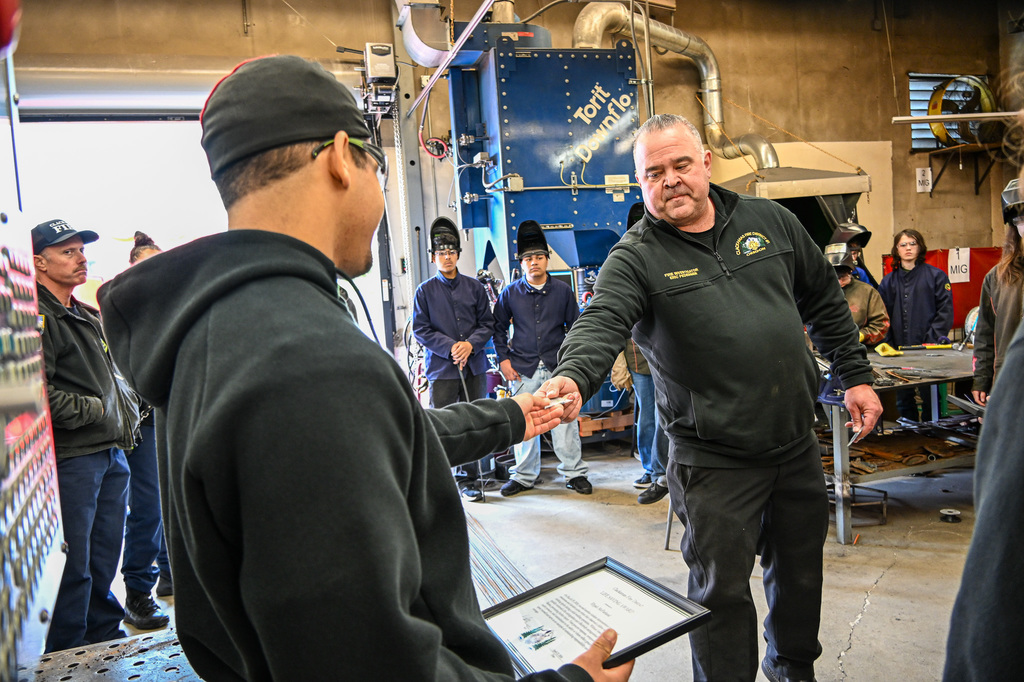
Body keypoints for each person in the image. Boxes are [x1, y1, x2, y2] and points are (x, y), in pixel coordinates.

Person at [96, 55, 631, 682]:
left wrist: (509, 416)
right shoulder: (307, 359)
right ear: (341, 158)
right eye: (378, 169)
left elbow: (367, 446)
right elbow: (369, 662)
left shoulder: (215, 331)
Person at [539, 114, 881, 682]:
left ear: (706, 164)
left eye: (679, 165)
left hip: (794, 445)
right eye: (654, 172)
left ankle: (793, 669)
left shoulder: (770, 221)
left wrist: (856, 376)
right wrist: (574, 374)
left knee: (800, 576)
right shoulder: (636, 257)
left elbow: (823, 298)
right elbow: (601, 321)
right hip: (713, 460)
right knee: (719, 596)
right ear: (640, 183)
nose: (670, 179)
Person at [33, 218, 142, 653]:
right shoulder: (34, 320)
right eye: (68, 252)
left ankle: (104, 638)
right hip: (75, 456)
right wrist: (97, 411)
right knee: (74, 564)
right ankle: (68, 651)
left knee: (101, 559)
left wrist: (126, 406)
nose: (81, 259)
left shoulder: (86, 314)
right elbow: (35, 392)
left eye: (82, 250)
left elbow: (114, 376)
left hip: (111, 451)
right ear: (38, 262)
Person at [493, 220, 592, 497]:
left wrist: (572, 364)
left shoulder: (562, 291)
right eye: (528, 258)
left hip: (557, 366)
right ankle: (524, 476)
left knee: (565, 422)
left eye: (538, 257)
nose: (533, 262)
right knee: (523, 421)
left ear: (546, 260)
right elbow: (497, 328)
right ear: (521, 263)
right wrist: (504, 360)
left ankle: (574, 473)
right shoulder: (510, 294)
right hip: (522, 368)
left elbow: (575, 328)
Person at [412, 217, 495, 501]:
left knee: (475, 420)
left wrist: (469, 346)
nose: (446, 258)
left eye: (451, 252)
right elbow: (420, 329)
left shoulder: (474, 288)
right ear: (433, 257)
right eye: (441, 253)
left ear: (458, 254)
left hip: (474, 367)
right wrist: (451, 348)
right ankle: (445, 481)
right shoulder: (424, 292)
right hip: (442, 370)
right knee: (445, 424)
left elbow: (488, 323)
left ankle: (472, 478)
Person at [118, 231, 172, 630]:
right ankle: (139, 592)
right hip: (140, 424)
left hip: (170, 415)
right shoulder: (118, 311)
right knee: (149, 508)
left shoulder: (171, 307)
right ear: (132, 267)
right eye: (146, 263)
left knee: (175, 501)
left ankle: (172, 576)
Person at [877, 229, 954, 421]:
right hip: (898, 352)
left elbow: (945, 312)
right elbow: (881, 316)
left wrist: (931, 341)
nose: (908, 248)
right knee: (903, 398)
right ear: (897, 249)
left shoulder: (937, 276)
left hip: (929, 350)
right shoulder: (888, 282)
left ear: (920, 247)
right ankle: (909, 433)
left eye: (912, 243)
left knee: (931, 397)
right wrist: (889, 344)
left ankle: (933, 433)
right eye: (903, 245)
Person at [971, 178, 1024, 406]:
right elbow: (985, 333)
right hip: (1010, 379)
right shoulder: (997, 277)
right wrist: (982, 379)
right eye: (1021, 219)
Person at [828, 250, 890, 347]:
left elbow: (881, 325)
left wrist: (862, 335)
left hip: (859, 350)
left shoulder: (867, 292)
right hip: (823, 351)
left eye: (843, 278)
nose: (839, 282)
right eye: (835, 278)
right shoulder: (819, 292)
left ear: (851, 272)